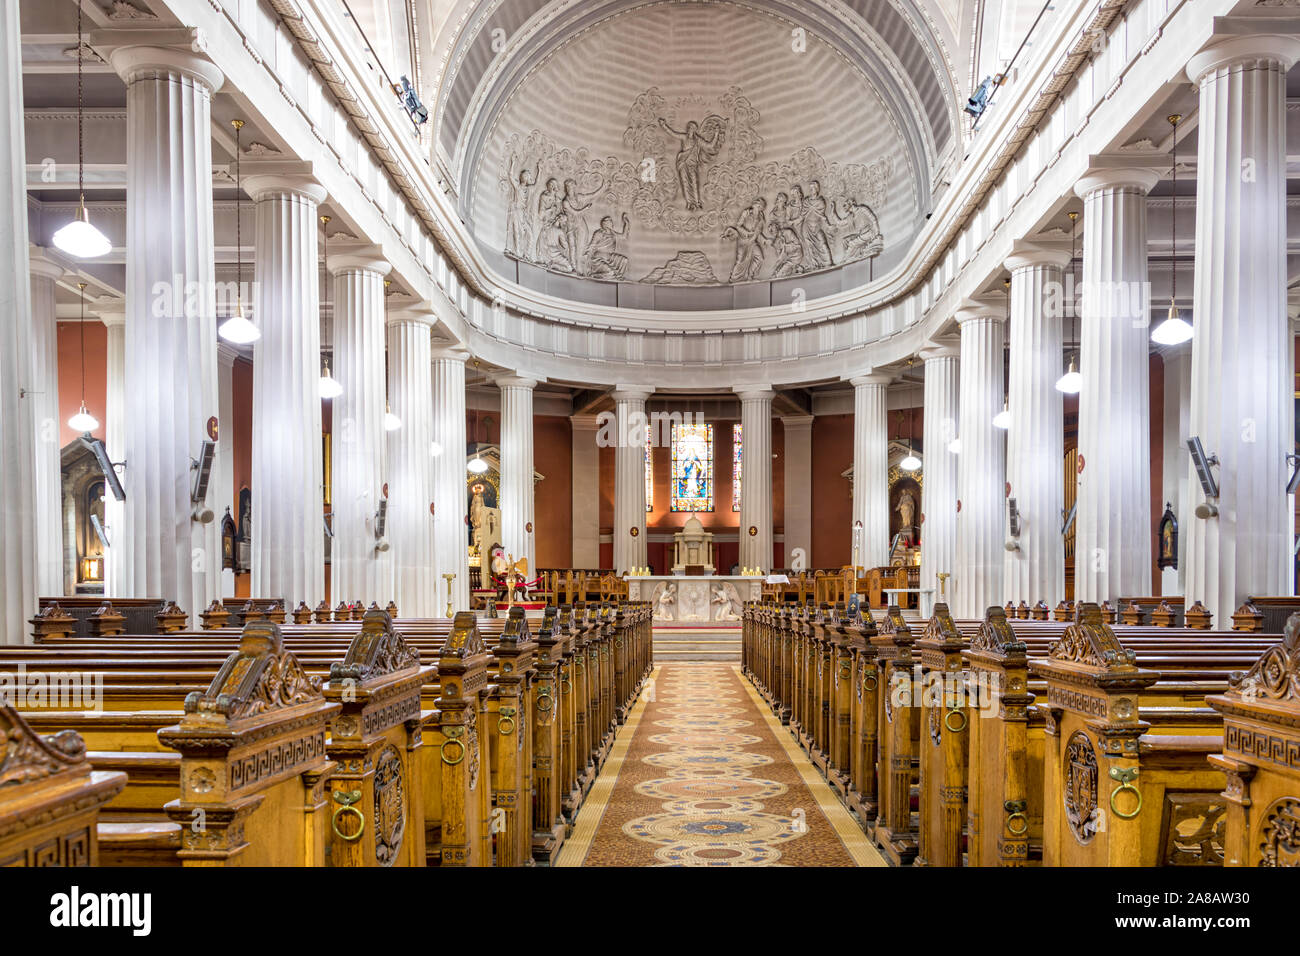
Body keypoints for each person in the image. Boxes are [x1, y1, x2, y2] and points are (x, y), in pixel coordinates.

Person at [585, 213, 631, 279]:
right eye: (610, 222)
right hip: (599, 259)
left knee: (624, 260)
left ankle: (618, 276)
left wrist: (627, 223)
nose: (612, 224)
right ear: (606, 224)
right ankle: (594, 275)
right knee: (610, 273)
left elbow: (624, 236)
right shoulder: (599, 233)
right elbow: (592, 245)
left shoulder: (613, 233)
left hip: (610, 257)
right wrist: (587, 255)